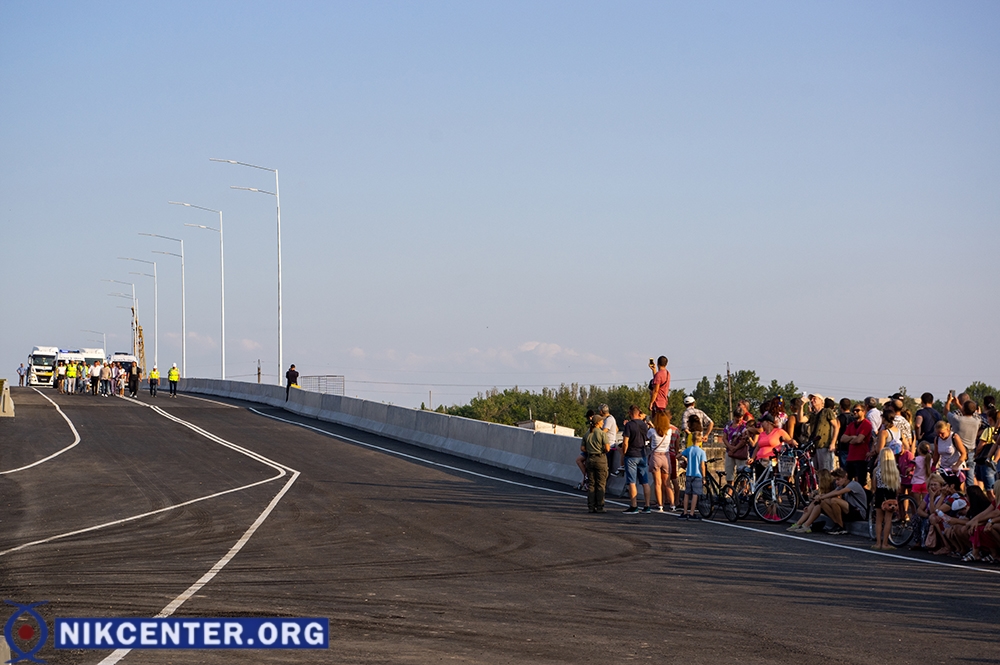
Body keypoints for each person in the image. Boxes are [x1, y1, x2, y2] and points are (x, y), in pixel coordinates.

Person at [816, 468, 868, 534]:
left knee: (834, 500)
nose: (836, 482)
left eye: (838, 479)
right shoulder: (841, 486)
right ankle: (837, 524)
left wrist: (821, 497)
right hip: (849, 510)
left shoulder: (853, 485)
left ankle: (840, 526)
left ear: (845, 477)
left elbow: (837, 493)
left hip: (859, 512)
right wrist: (820, 497)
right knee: (823, 502)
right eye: (835, 480)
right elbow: (833, 492)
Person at [621, 405, 651, 514]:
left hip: (631, 455)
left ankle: (634, 506)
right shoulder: (644, 425)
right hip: (642, 454)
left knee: (632, 482)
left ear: (630, 413)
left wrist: (624, 453)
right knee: (645, 482)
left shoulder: (629, 425)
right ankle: (647, 506)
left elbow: (625, 442)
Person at [647, 410, 678, 512]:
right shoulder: (669, 431)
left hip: (655, 456)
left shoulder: (652, 431)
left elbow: (648, 439)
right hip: (665, 456)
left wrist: (650, 426)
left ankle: (660, 505)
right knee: (667, 483)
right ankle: (672, 505)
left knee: (658, 483)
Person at [786, 469, 835, 534]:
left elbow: (832, 497)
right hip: (827, 504)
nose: (818, 481)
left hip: (833, 506)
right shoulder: (825, 486)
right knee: (814, 503)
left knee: (818, 505)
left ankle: (806, 525)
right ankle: (799, 523)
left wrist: (820, 496)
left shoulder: (833, 485)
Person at [872, 447, 901, 550]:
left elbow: (874, 486)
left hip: (880, 493)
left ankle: (878, 543)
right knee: (888, 520)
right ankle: (885, 543)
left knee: (879, 520)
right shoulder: (895, 471)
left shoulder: (877, 470)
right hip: (891, 494)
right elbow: (898, 487)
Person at [581, 412, 610, 513]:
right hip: (600, 459)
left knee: (591, 484)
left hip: (590, 459)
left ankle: (591, 506)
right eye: (602, 421)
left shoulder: (587, 434)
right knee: (600, 484)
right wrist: (601, 450)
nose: (603, 423)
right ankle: (600, 506)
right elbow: (607, 448)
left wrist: (590, 450)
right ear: (598, 423)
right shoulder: (602, 434)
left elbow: (582, 448)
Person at [841, 402, 873, 486]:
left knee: (861, 482)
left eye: (857, 410)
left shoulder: (866, 424)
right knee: (846, 481)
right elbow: (842, 439)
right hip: (850, 457)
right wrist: (853, 437)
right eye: (853, 410)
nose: (855, 412)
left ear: (863, 412)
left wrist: (850, 439)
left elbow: (859, 440)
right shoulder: (851, 425)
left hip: (861, 458)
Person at [679, 431, 707, 521]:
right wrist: (704, 477)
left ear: (692, 439)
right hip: (697, 474)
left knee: (687, 493)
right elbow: (702, 466)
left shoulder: (689, 449)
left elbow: (678, 455)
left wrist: (684, 459)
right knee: (695, 494)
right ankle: (692, 513)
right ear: (700, 440)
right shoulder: (701, 452)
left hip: (689, 473)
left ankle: (685, 512)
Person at [808, 393, 839, 471]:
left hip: (824, 445)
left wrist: (833, 443)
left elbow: (836, 426)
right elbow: (801, 419)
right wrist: (801, 406)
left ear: (821, 401)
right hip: (814, 446)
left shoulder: (827, 412)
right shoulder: (812, 415)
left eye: (815, 398)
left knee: (825, 470)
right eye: (811, 399)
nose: (812, 400)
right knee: (815, 470)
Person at [973, 408, 998, 501]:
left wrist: (976, 455)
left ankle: (994, 506)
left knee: (990, 490)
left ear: (990, 419)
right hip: (997, 461)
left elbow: (981, 445)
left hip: (988, 462)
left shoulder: (988, 430)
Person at [722, 408, 752, 483]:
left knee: (742, 474)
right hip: (730, 451)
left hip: (741, 451)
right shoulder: (729, 424)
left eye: (740, 417)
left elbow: (744, 440)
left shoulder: (745, 425)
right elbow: (724, 438)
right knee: (729, 473)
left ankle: (743, 488)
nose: (739, 419)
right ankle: (730, 488)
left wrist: (735, 448)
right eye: (737, 417)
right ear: (734, 416)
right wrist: (730, 447)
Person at [598, 404, 619, 477]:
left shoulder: (609, 420)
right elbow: (616, 429)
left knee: (605, 466)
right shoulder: (611, 418)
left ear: (601, 411)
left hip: (608, 445)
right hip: (611, 443)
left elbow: (604, 431)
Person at [836, 398, 853, 470]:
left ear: (840, 407)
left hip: (843, 445)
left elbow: (836, 431)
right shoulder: (853, 418)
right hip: (852, 445)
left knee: (843, 468)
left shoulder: (839, 418)